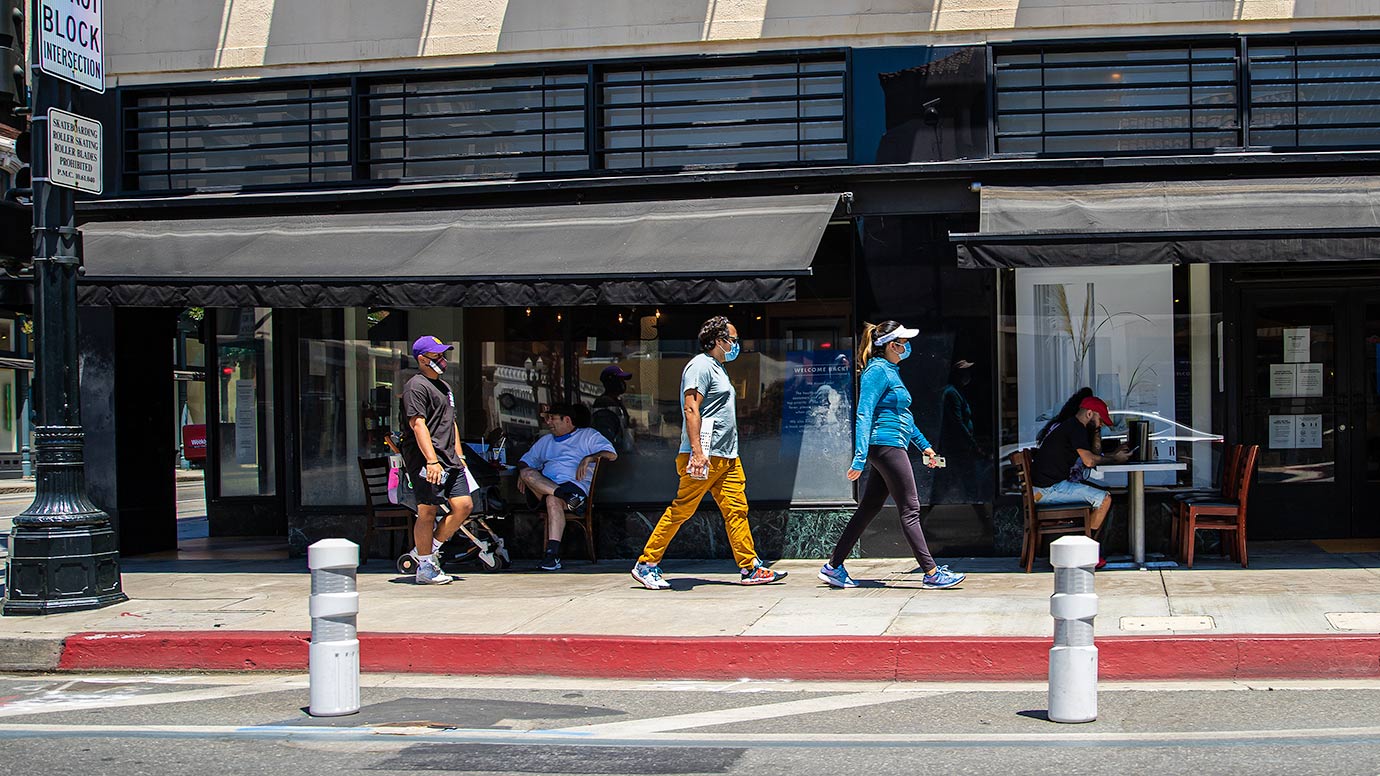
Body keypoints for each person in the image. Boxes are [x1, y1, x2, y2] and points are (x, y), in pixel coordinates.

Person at [631, 316, 787, 589]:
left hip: (726, 456)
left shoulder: (718, 368)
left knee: (737, 511)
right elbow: (691, 408)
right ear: (718, 341)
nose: (737, 345)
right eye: (733, 340)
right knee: (682, 510)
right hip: (705, 454)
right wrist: (697, 452)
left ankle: (750, 568)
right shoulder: (700, 366)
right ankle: (646, 563)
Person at [818, 320, 966, 590]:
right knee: (911, 509)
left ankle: (833, 566)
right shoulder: (876, 371)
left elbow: (904, 417)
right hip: (885, 447)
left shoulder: (891, 371)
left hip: (890, 445)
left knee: (869, 507)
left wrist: (924, 446)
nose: (907, 346)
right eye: (903, 342)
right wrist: (860, 458)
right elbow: (864, 413)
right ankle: (932, 573)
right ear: (889, 345)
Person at [397, 335, 475, 585]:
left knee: (464, 506)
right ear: (422, 359)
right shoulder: (415, 387)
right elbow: (418, 424)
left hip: (450, 459)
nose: (442, 360)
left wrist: (460, 455)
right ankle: (426, 566)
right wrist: (431, 461)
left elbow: (450, 423)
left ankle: (427, 552)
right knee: (427, 510)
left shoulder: (445, 387)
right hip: (426, 461)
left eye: (443, 355)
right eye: (436, 356)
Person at [1030, 392, 1130, 567]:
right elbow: (1089, 461)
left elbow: (1093, 455)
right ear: (1089, 413)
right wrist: (1115, 458)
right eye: (1099, 420)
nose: (1100, 424)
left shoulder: (1070, 426)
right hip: (1048, 490)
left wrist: (1098, 432)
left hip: (1043, 489)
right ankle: (1086, 552)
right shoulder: (1075, 428)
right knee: (1104, 499)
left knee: (1097, 493)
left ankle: (1085, 548)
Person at [517, 402, 617, 571]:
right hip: (552, 490)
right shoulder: (546, 441)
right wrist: (522, 473)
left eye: (553, 418)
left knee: (552, 500)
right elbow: (524, 461)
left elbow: (611, 454)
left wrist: (590, 458)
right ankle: (565, 496)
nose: (549, 422)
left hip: (574, 487)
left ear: (567, 420)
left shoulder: (587, 435)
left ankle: (552, 555)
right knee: (527, 473)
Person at [591, 365, 634, 451]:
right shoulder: (604, 402)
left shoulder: (616, 401)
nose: (623, 383)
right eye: (620, 380)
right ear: (612, 382)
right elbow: (605, 434)